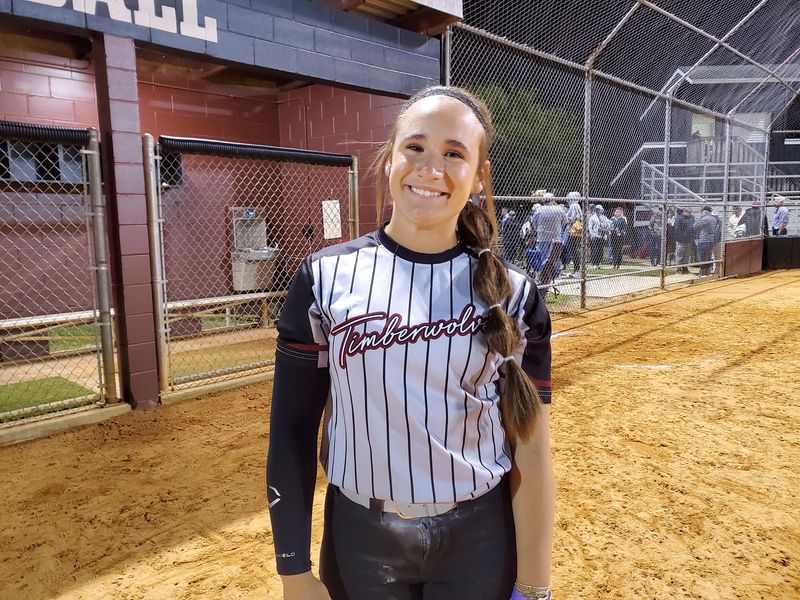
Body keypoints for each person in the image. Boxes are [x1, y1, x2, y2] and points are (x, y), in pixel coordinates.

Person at [266, 86, 555, 600]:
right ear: (389, 159)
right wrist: (293, 571)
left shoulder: (513, 295)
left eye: (454, 153)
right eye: (415, 147)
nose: (430, 168)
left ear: (478, 177)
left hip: (479, 537)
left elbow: (530, 452)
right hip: (361, 535)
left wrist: (534, 587)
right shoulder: (325, 278)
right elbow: (291, 430)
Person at [693, 205, 717, 277]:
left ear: (705, 212)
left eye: (701, 211)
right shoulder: (714, 218)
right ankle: (707, 273)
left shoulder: (705, 219)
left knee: (702, 257)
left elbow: (695, 226)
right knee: (708, 257)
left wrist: (701, 217)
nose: (700, 213)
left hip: (703, 240)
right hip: (710, 240)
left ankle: (703, 273)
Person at [563, 192, 583, 277]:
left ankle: (577, 269)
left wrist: (566, 218)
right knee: (572, 248)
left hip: (573, 229)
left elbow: (574, 217)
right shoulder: (575, 205)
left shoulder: (574, 205)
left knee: (572, 248)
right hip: (574, 229)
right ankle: (576, 269)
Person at [673, 208, 694, 274]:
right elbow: (676, 229)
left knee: (686, 255)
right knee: (680, 254)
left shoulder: (691, 219)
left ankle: (685, 268)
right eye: (689, 212)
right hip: (681, 240)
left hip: (688, 240)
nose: (690, 214)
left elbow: (692, 228)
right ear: (685, 212)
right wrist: (680, 236)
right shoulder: (679, 218)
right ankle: (679, 268)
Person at [587, 204, 606, 268]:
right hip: (595, 235)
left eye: (600, 210)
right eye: (597, 210)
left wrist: (604, 232)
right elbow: (590, 227)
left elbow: (605, 225)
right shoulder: (592, 217)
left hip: (601, 235)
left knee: (600, 250)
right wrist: (592, 234)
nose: (599, 211)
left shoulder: (603, 217)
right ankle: (594, 263)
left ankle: (598, 262)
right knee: (595, 249)